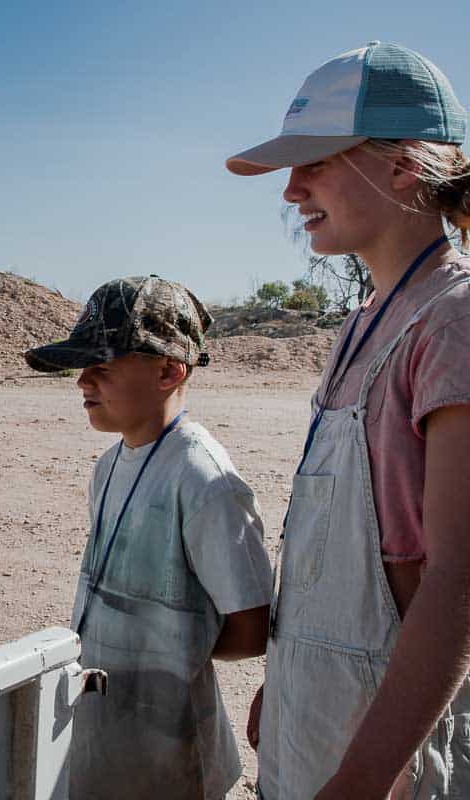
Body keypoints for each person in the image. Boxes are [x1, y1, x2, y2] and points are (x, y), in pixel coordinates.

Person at [228, 41, 470, 798]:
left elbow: (457, 580)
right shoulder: (365, 321)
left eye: (317, 161)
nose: (292, 189)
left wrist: (367, 773)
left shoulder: (451, 322)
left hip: (383, 764)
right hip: (319, 727)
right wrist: (288, 678)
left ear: (405, 166)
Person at [24, 276, 273, 800]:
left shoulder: (203, 478)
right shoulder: (109, 464)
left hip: (173, 760)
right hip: (107, 738)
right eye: (81, 367)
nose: (82, 382)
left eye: (102, 366)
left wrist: (166, 653)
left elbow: (251, 630)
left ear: (168, 370)